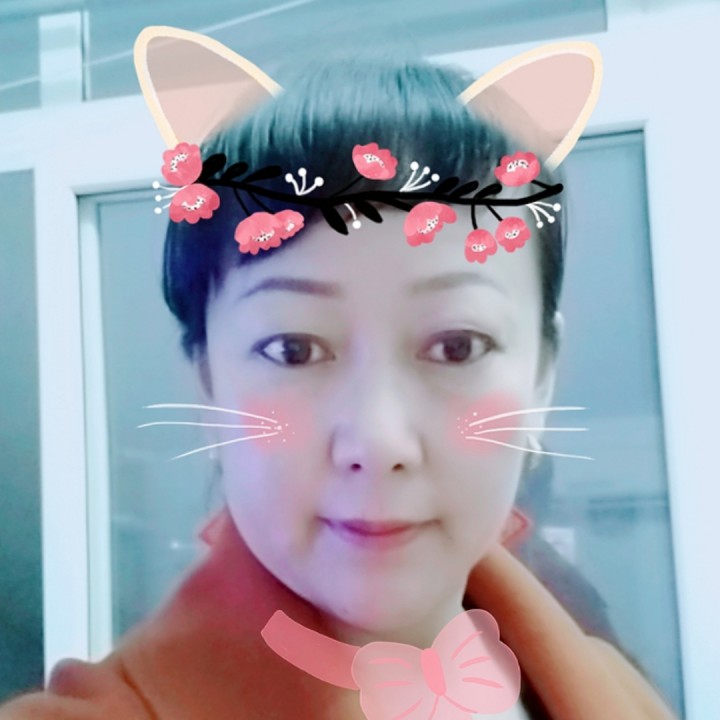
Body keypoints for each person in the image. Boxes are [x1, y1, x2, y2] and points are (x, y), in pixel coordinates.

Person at [0, 27, 677, 720]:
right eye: (293, 350)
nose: (378, 442)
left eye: (456, 346)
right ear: (207, 386)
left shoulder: (619, 694)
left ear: (541, 378)